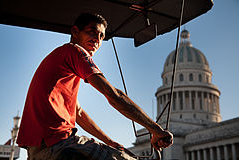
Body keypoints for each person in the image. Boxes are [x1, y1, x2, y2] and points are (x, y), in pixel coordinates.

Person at [16, 13, 173, 160]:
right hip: (57, 143)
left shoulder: (62, 62)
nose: (97, 39)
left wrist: (110, 142)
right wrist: (156, 130)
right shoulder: (75, 51)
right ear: (75, 32)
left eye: (102, 36)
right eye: (92, 32)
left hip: (39, 150)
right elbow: (114, 96)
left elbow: (78, 113)